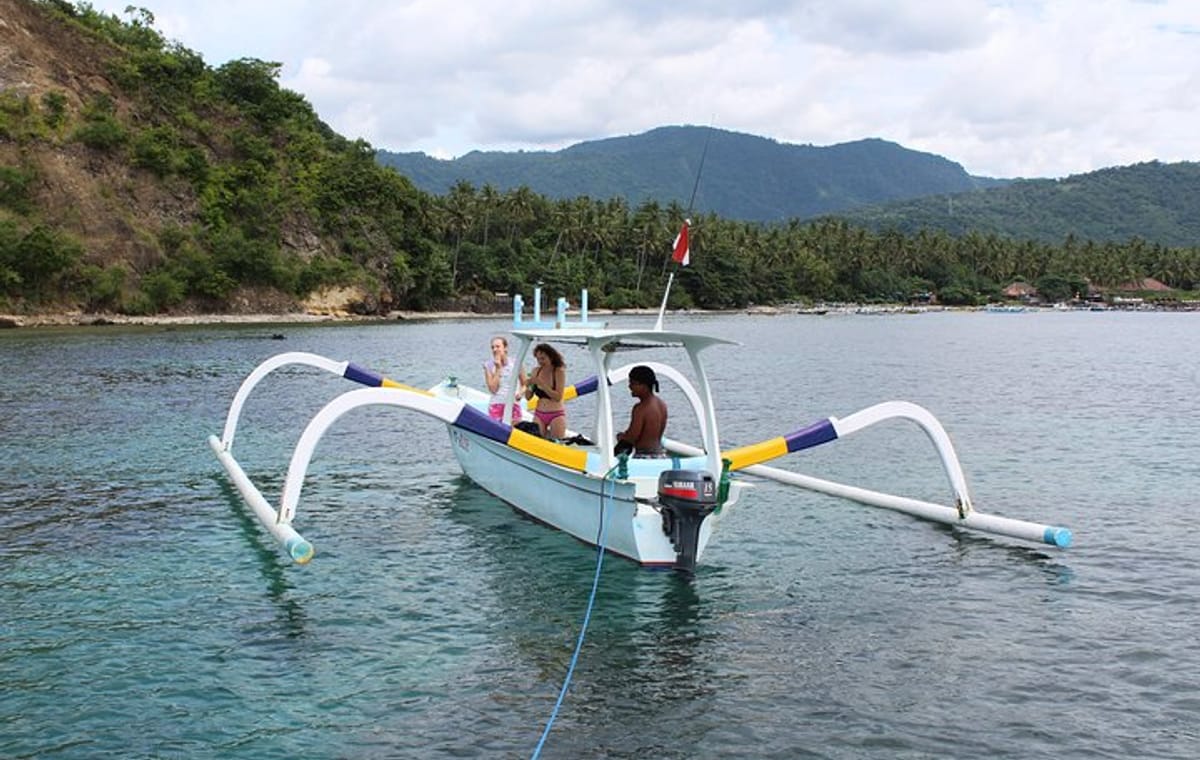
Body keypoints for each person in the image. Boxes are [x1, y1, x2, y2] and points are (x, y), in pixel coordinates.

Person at [614, 365, 668, 457]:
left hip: (645, 456)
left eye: (633, 383)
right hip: (660, 454)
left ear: (644, 386)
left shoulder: (640, 408)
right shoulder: (662, 404)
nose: (629, 386)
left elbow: (632, 437)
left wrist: (620, 437)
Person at [525, 342, 568, 439]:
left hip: (556, 414)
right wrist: (529, 385)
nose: (540, 361)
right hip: (539, 413)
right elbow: (528, 397)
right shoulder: (536, 371)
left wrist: (541, 384)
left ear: (551, 357)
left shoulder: (558, 372)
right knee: (536, 440)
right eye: (538, 359)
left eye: (543, 358)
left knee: (557, 442)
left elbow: (558, 397)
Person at [483, 336, 525, 423]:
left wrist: (520, 393)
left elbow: (525, 384)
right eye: (492, 347)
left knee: (515, 429)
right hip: (496, 405)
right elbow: (493, 389)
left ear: (505, 348)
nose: (495, 349)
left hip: (513, 404)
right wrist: (498, 368)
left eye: (498, 346)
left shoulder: (516, 363)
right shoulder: (488, 365)